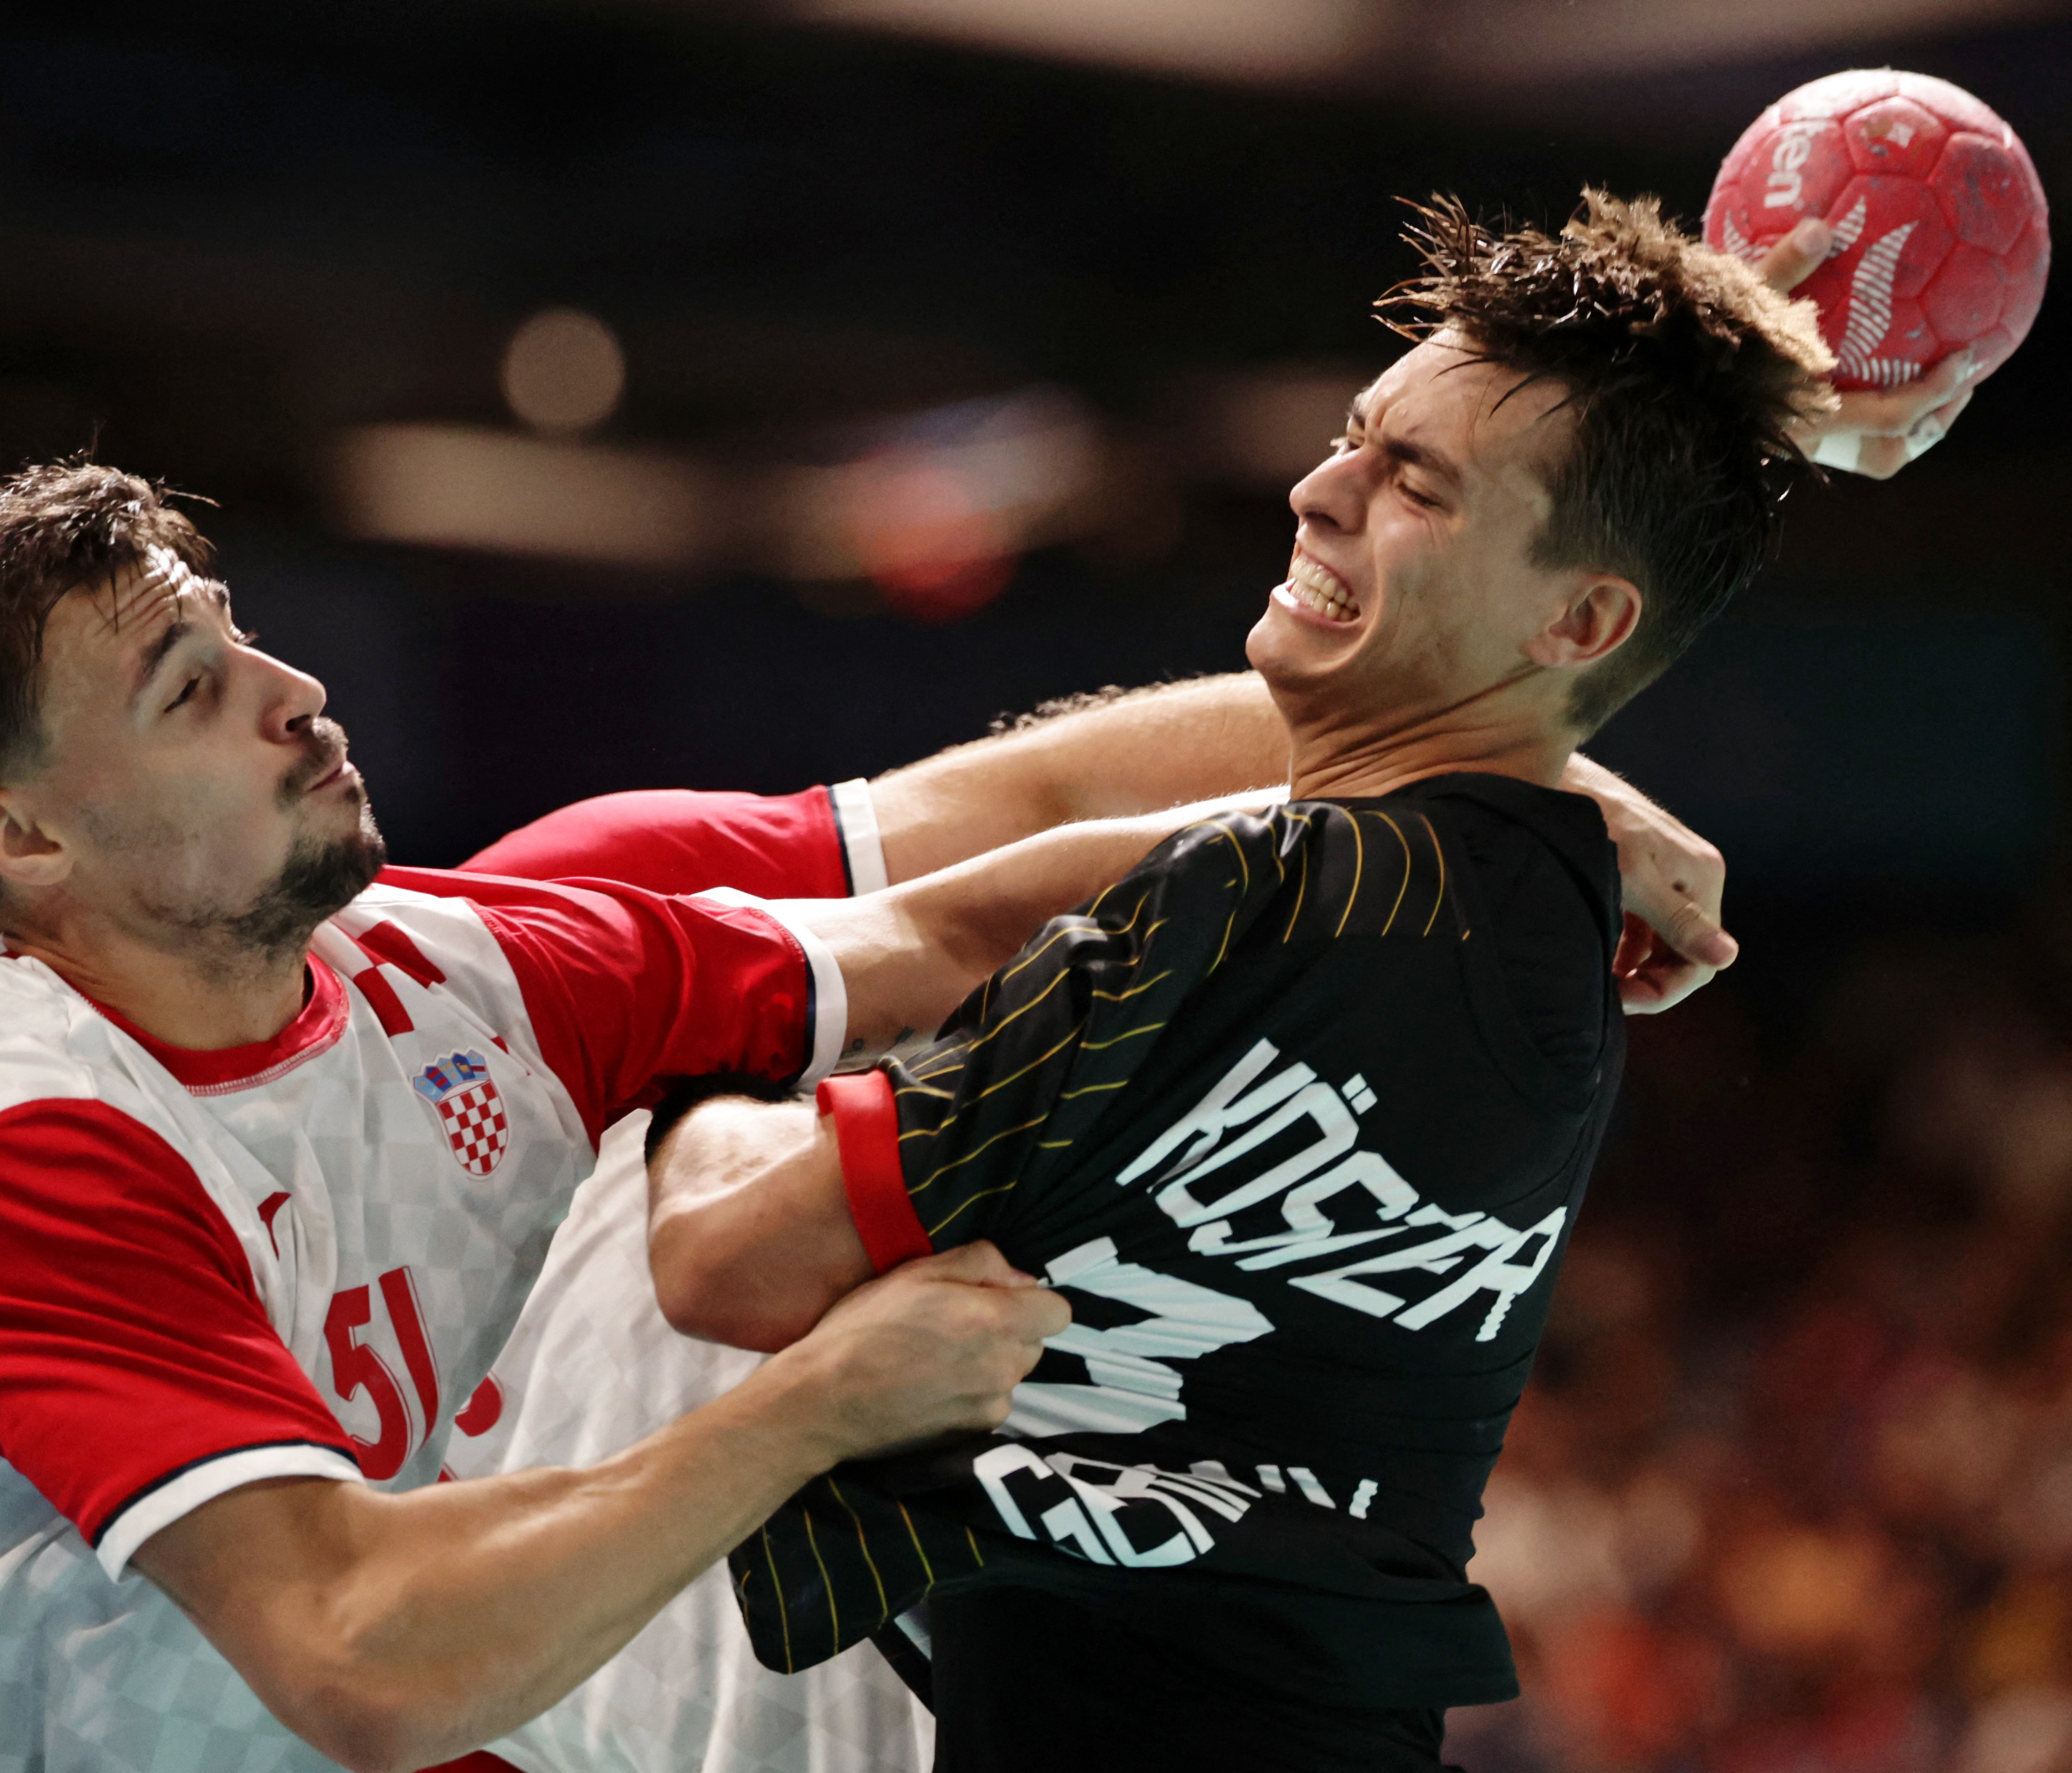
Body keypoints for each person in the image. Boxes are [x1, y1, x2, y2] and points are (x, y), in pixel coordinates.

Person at [0, 460, 1262, 1773]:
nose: (297, 693)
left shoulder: (460, 962)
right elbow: (355, 1656)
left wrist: (1438, 802)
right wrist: (817, 1407)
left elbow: (938, 926)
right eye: (191, 693)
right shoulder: (24, 1151)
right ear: (20, 849)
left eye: (233, 633)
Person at [639, 191, 1836, 1769]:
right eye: (1353, 436)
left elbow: (721, 1255)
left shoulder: (1277, 905)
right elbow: (1091, 862)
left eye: (1411, 482)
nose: (1315, 488)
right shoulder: (1550, 901)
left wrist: (684, 1068)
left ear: (1579, 618)